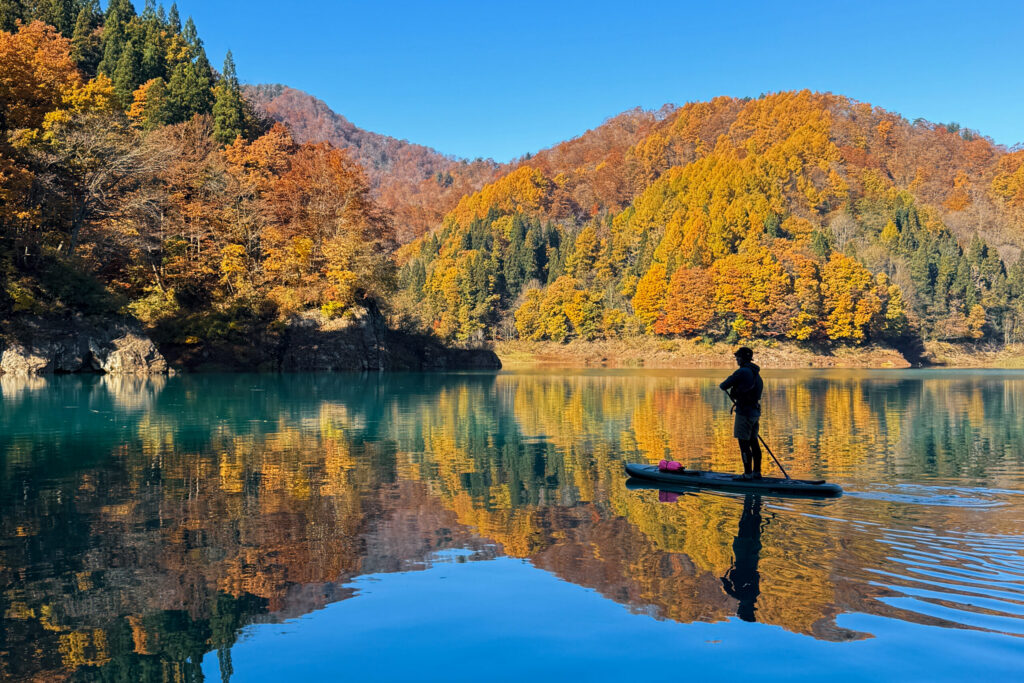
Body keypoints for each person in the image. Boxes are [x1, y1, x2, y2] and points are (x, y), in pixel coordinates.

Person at [719, 347, 763, 479]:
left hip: (744, 412)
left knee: (744, 444)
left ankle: (747, 474)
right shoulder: (755, 372)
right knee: (754, 442)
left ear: (742, 358)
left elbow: (723, 385)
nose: (736, 359)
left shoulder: (742, 371)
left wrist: (732, 380)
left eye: (738, 357)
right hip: (755, 412)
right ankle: (757, 472)